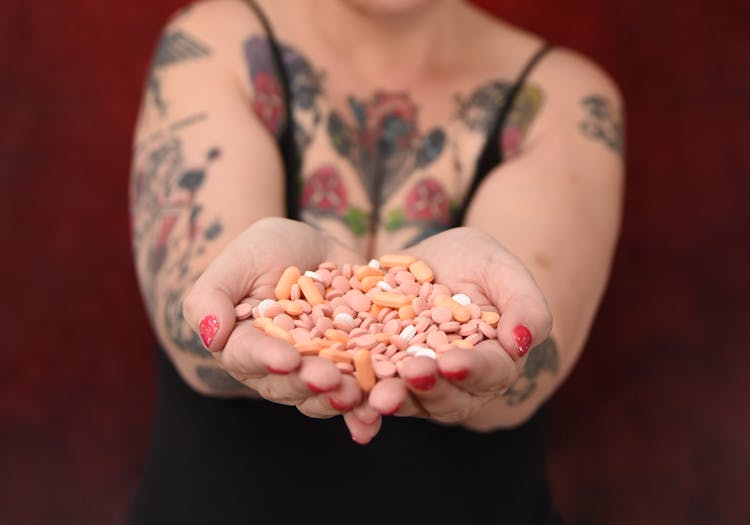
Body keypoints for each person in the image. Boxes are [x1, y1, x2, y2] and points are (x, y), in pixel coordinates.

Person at [127, 0, 624, 523]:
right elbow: (195, 315)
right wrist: (235, 314)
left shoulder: (565, 98)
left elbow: (524, 367)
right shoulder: (218, 38)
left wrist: (495, 335)